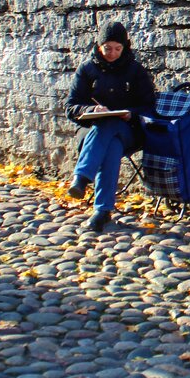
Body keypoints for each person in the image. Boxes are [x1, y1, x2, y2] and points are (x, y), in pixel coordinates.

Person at [65, 22, 156, 232]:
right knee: (110, 144)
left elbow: (149, 106)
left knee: (111, 127)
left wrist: (131, 113)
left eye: (117, 49)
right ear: (99, 46)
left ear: (125, 47)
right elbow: (71, 107)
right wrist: (89, 110)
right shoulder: (87, 69)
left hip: (128, 131)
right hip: (91, 131)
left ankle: (82, 177)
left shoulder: (135, 71)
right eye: (107, 49)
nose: (112, 53)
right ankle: (102, 212)